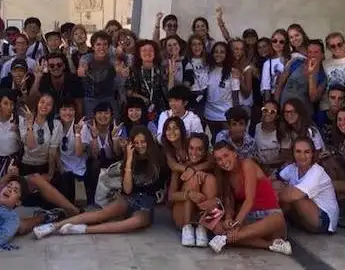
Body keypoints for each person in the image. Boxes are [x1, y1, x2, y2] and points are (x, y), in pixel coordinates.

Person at [33, 126, 162, 237]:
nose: (140, 146)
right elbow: (128, 190)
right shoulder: (131, 158)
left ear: (149, 142)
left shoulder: (158, 159)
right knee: (100, 214)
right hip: (129, 198)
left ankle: (84, 230)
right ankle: (54, 226)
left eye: (143, 142)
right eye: (136, 142)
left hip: (145, 205)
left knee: (135, 223)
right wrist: (129, 160)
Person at [204, 142, 292, 255]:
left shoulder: (247, 164)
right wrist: (228, 219)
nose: (223, 161)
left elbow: (249, 199)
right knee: (214, 223)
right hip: (250, 221)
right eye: (219, 159)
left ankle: (225, 238)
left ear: (235, 154)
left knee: (277, 219)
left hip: (269, 220)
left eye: (226, 155)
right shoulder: (226, 176)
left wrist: (236, 225)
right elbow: (228, 201)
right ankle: (272, 245)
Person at [277, 136, 339, 234]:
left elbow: (293, 196)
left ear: (312, 154)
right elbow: (273, 181)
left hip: (324, 221)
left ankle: (272, 222)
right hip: (306, 217)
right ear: (293, 153)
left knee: (294, 197)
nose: (302, 156)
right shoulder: (292, 167)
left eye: (307, 152)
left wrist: (274, 193)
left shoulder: (317, 171)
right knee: (279, 186)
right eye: (298, 151)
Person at [168, 133, 215, 246]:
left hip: (202, 211)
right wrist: (189, 194)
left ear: (205, 151)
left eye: (199, 149)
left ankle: (202, 227)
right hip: (182, 213)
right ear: (187, 148)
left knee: (210, 179)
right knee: (193, 179)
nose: (194, 153)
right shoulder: (180, 167)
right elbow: (171, 197)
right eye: (191, 148)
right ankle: (187, 227)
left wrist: (197, 170)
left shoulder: (210, 165)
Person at [78, 31, 118, 118]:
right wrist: (82, 70)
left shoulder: (112, 59)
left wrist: (120, 70)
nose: (102, 47)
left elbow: (117, 66)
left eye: (105, 44)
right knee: (90, 125)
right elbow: (82, 65)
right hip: (90, 98)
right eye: (98, 44)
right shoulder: (86, 57)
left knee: (114, 123)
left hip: (108, 97)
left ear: (109, 46)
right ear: (93, 47)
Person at [33, 51, 84, 119]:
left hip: (68, 118)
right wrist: (37, 78)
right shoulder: (43, 79)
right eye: (52, 66)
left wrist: (75, 125)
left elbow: (79, 107)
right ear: (48, 68)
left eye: (59, 65)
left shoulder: (74, 80)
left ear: (64, 66)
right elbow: (32, 102)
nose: (55, 68)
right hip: (49, 118)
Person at [55, 99, 87, 205]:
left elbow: (79, 152)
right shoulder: (55, 124)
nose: (67, 113)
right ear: (59, 111)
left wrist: (77, 133)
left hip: (79, 166)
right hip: (62, 166)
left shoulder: (82, 125)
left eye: (71, 110)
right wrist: (60, 167)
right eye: (64, 109)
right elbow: (54, 150)